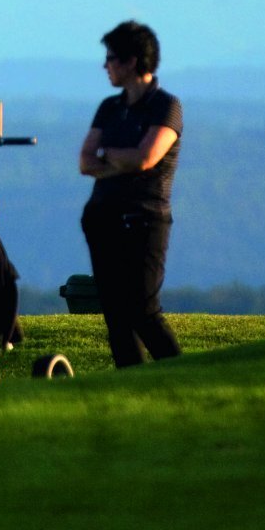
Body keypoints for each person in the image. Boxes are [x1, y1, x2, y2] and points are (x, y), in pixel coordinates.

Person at [78, 20, 183, 368]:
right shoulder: (110, 107)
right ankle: (132, 384)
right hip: (102, 217)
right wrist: (118, 158)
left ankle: (181, 374)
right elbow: (84, 161)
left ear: (133, 62)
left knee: (143, 310)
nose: (104, 66)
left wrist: (108, 156)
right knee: (115, 315)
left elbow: (146, 158)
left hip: (144, 219)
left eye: (111, 58)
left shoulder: (166, 106)